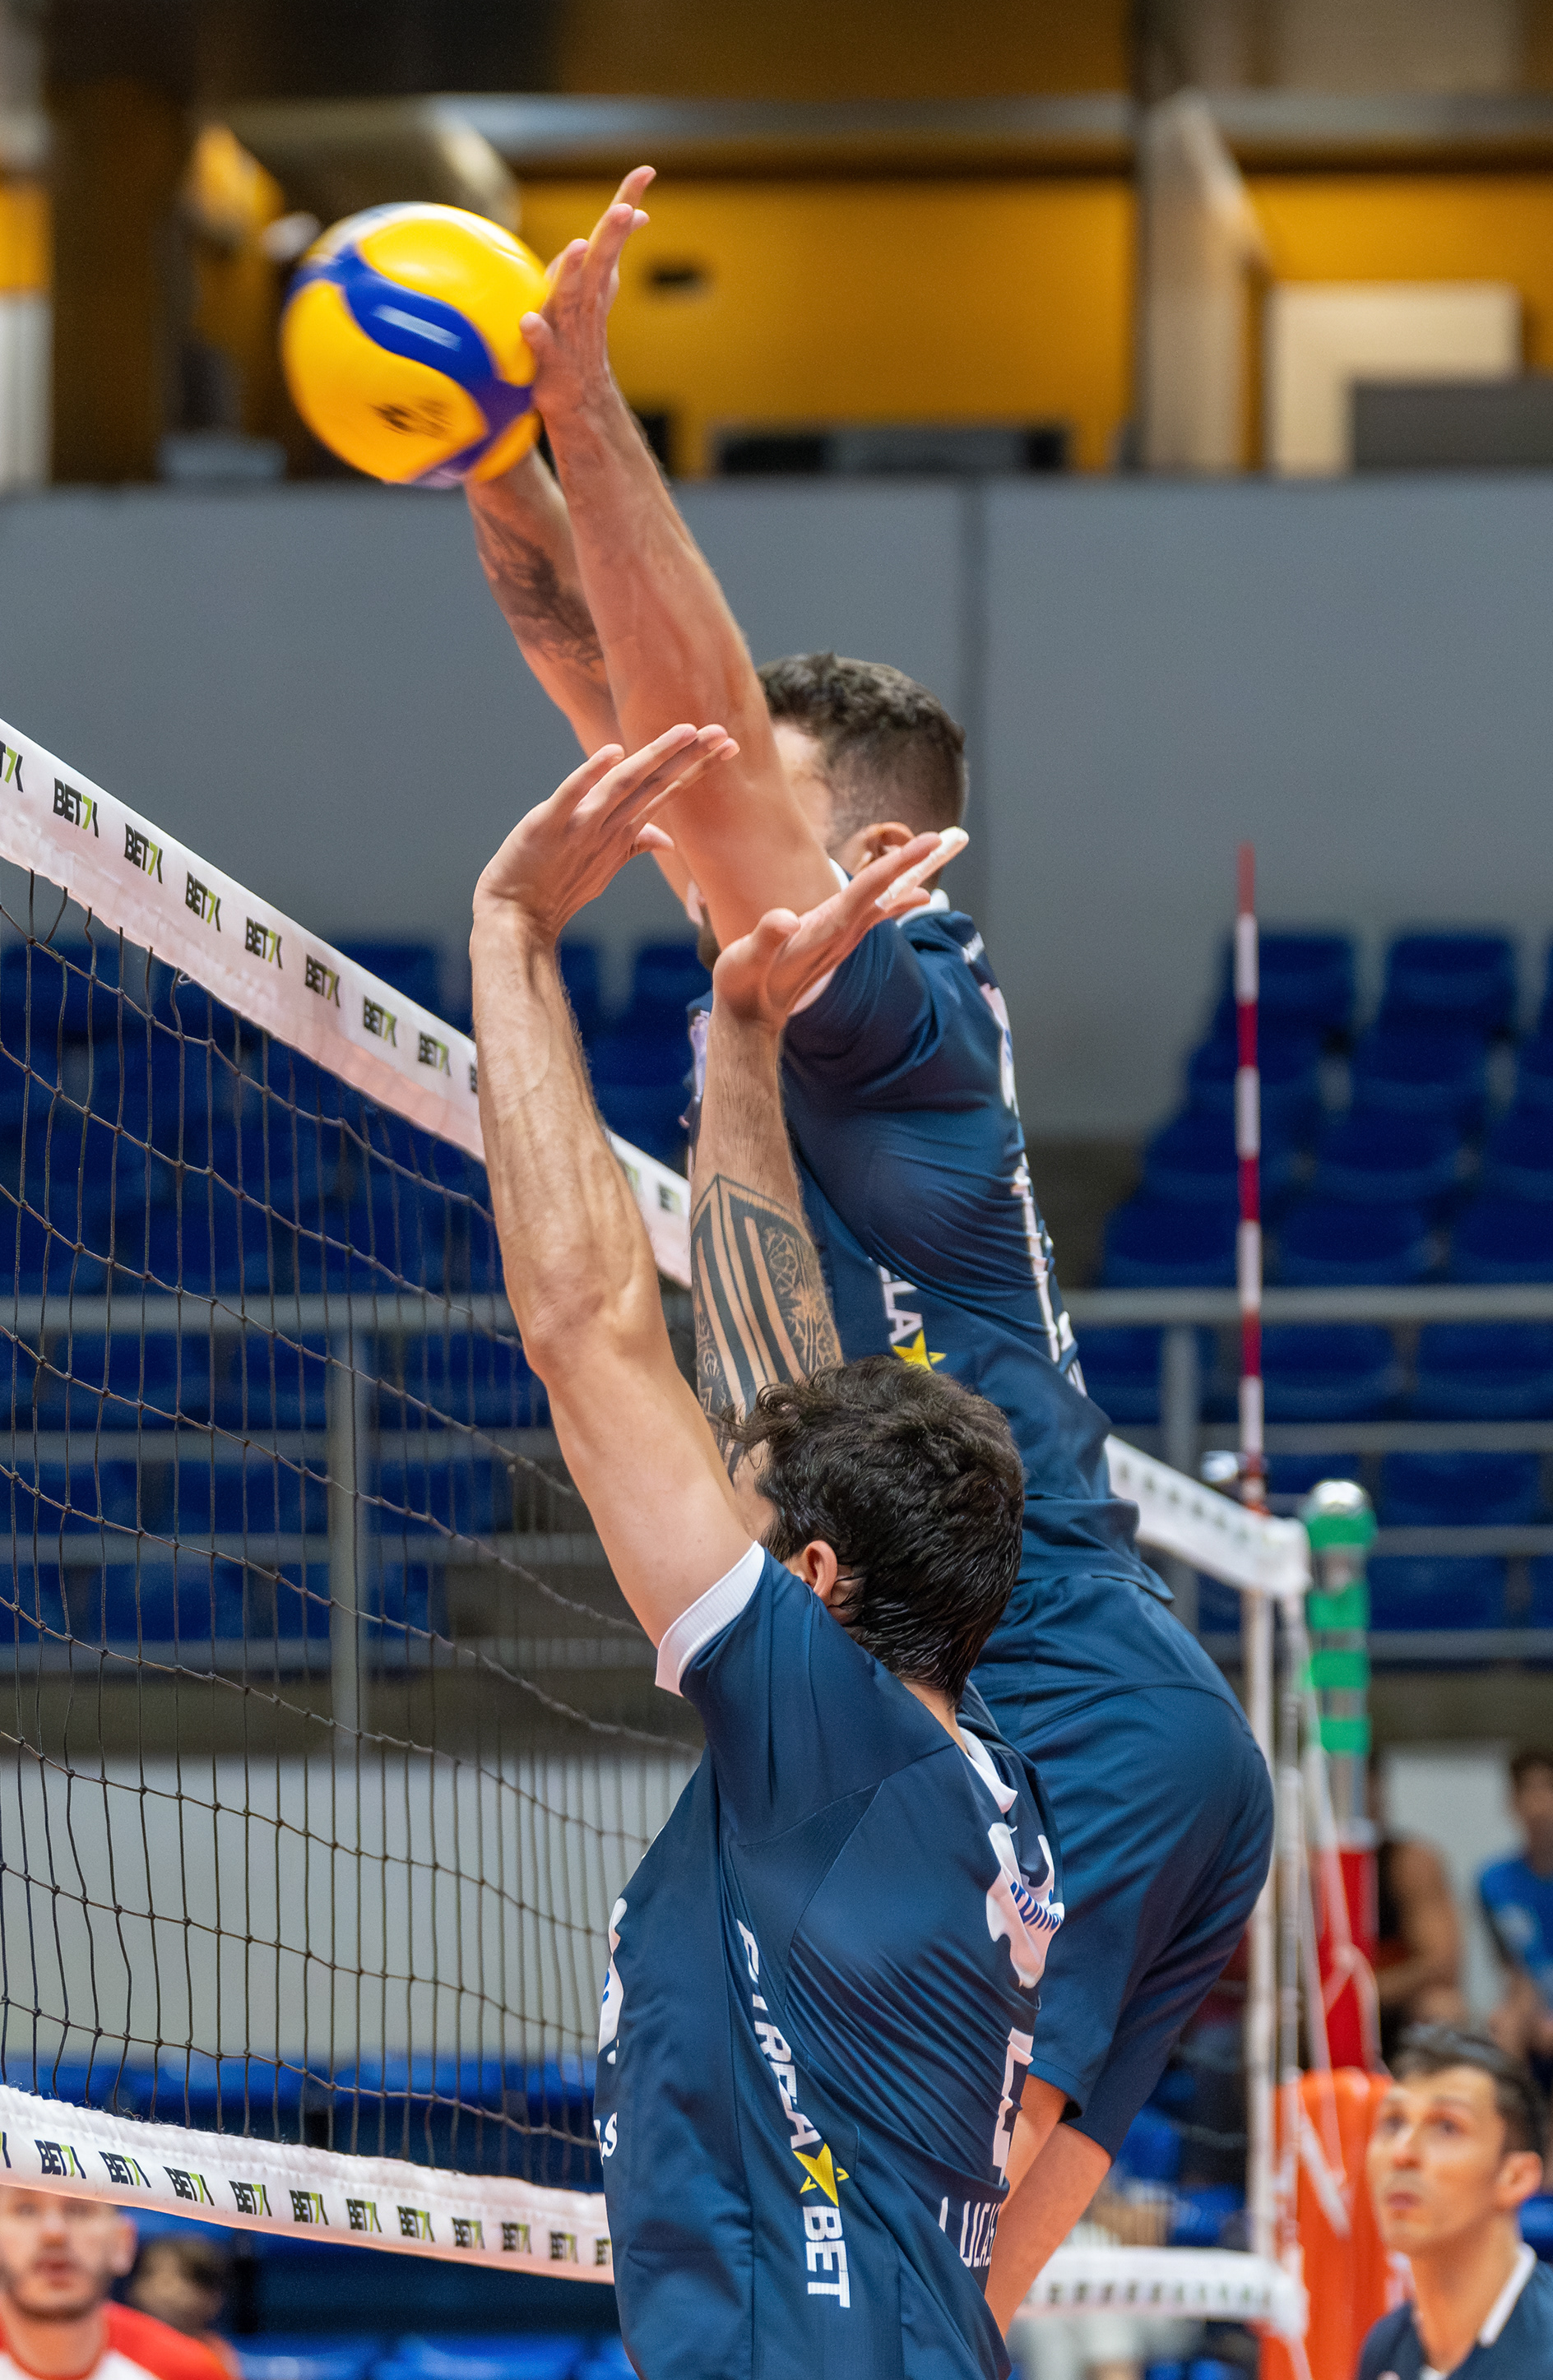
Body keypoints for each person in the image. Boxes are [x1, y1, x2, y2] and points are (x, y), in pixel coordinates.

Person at [468, 168, 1273, 2327]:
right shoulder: (802, 1016)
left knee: (898, 2268)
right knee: (949, 2286)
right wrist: (473, 452)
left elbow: (703, 764)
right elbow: (636, 716)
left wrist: (589, 407)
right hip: (1093, 1707)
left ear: (883, 850)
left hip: (1057, 1689)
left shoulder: (899, 998)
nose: (704, 835)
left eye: (761, 811)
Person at [471, 727, 1059, 2380]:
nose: (709, 1509)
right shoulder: (950, 1761)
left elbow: (591, 1330)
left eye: (749, 1520)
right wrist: (741, 1036)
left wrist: (516, 933)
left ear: (809, 1587)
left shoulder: (847, 1754)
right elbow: (774, 1396)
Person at [0, 2187, 225, 2380]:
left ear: (123, 2243)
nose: (54, 2233)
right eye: (26, 2209)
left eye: (79, 2209)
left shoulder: (192, 2373)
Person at [1356, 2024, 1549, 2380]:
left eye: (1447, 2126)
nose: (1402, 2153)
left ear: (1516, 2177)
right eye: (1393, 2123)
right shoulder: (1383, 2347)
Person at [1369, 1763, 1469, 2054]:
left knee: (1443, 2007)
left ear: (1380, 1793)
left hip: (1396, 2005)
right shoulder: (1306, 1868)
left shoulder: (1410, 1864)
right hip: (1329, 2008)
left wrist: (1369, 1991)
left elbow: (1442, 1964)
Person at [1478, 1748, 1553, 2092]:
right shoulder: (1494, 1880)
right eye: (1528, 1790)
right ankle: (1515, 2119)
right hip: (1532, 2000)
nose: (1539, 1804)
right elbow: (1512, 1966)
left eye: (1548, 1788)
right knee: (1505, 2021)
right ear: (1512, 1802)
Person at [121, 2232, 236, 2377]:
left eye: (175, 2278)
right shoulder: (119, 2344)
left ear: (211, 2296)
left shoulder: (213, 2355)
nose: (159, 2287)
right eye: (150, 2273)